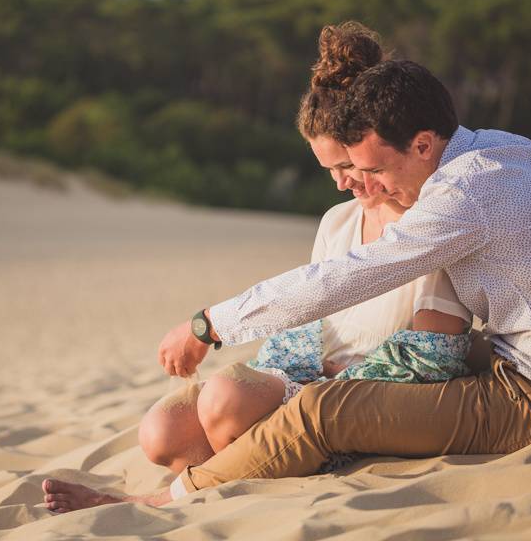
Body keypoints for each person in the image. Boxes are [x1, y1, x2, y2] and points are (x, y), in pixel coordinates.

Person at [42, 22, 531, 512]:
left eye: (376, 171)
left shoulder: (459, 198)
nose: (371, 186)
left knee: (321, 413)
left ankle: (160, 502)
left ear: (424, 144)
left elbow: (343, 279)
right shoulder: (504, 148)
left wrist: (208, 324)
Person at [130, 23, 472, 478]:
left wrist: (328, 382)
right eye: (329, 169)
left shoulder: (437, 223)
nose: (342, 182)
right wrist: (283, 376)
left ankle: (223, 493)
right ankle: (229, 482)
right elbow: (307, 328)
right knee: (161, 433)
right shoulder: (337, 222)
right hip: (310, 379)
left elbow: (434, 358)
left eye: (349, 164)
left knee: (226, 401)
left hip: (364, 399)